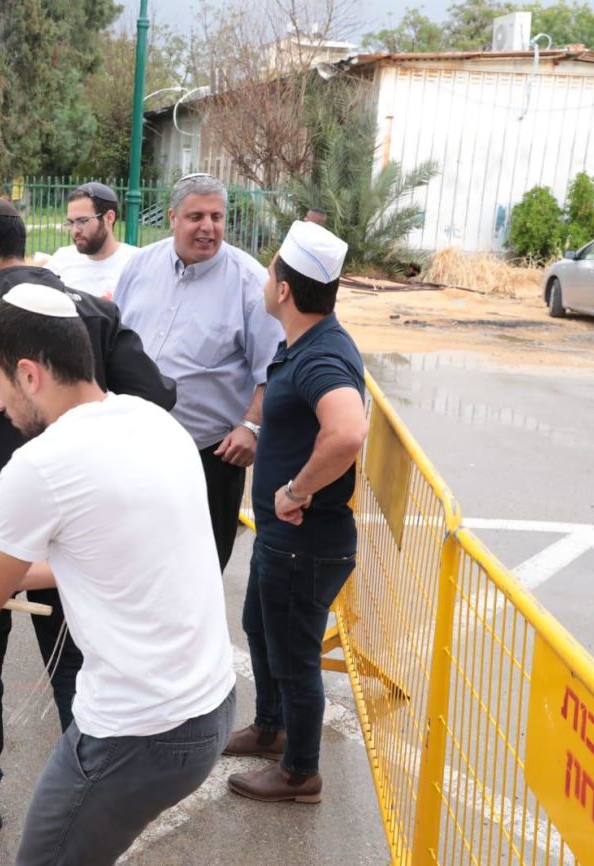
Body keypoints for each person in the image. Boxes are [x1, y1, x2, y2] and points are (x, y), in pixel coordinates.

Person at [0, 284, 235, 865]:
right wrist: (13, 575)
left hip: (137, 734)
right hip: (211, 706)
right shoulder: (153, 421)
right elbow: (106, 557)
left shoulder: (41, 464)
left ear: (29, 374)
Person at [0, 197, 174, 832]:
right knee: (72, 659)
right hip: (74, 522)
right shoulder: (89, 317)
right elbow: (153, 397)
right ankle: (98, 786)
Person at [223, 220, 368, 804]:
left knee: (294, 655)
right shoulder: (307, 342)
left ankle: (300, 772)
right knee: (262, 629)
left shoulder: (320, 356)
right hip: (281, 542)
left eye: (270, 272)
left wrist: (297, 490)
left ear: (284, 289)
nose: (265, 280)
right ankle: (271, 728)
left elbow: (347, 432)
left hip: (303, 544)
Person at [113, 172, 285, 573]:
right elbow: (113, 340)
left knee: (198, 570)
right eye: (196, 217)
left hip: (207, 457)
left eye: (216, 217)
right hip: (131, 450)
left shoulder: (249, 282)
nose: (208, 227)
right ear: (173, 217)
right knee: (130, 564)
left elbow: (273, 369)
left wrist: (252, 427)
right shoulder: (140, 266)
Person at [43, 181, 137, 299]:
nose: (75, 230)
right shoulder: (62, 259)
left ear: (109, 218)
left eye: (83, 221)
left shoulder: (136, 263)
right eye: (71, 222)